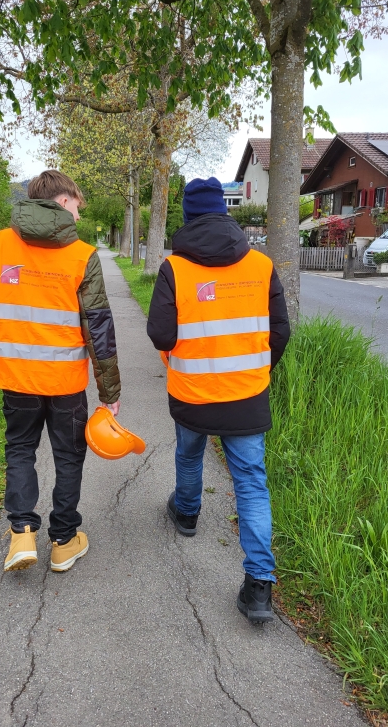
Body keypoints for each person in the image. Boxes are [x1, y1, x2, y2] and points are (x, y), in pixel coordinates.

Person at [0, 170, 121, 573]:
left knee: (20, 448)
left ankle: (20, 535)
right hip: (65, 382)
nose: (80, 217)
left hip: (15, 378)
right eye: (78, 207)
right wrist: (109, 391)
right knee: (68, 456)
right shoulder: (82, 254)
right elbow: (97, 325)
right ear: (63, 200)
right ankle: (64, 542)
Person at [147, 177, 290, 622]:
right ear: (226, 214)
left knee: (189, 456)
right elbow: (280, 332)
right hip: (246, 394)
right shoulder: (261, 265)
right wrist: (256, 371)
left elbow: (160, 333)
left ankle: (187, 514)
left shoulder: (176, 269)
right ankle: (259, 588)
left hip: (192, 392)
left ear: (187, 216)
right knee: (251, 483)